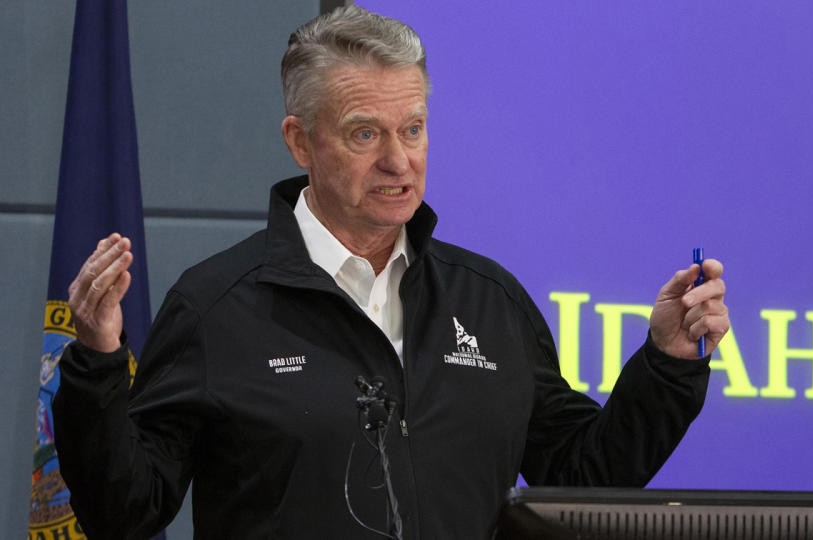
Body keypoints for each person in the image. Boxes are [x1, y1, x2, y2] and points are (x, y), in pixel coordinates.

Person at [53, 6, 730, 539]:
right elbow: (125, 513)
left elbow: (583, 477)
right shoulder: (215, 306)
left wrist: (668, 363)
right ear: (300, 141)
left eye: (412, 129)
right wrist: (97, 363)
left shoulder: (489, 300)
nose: (399, 161)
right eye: (364, 133)